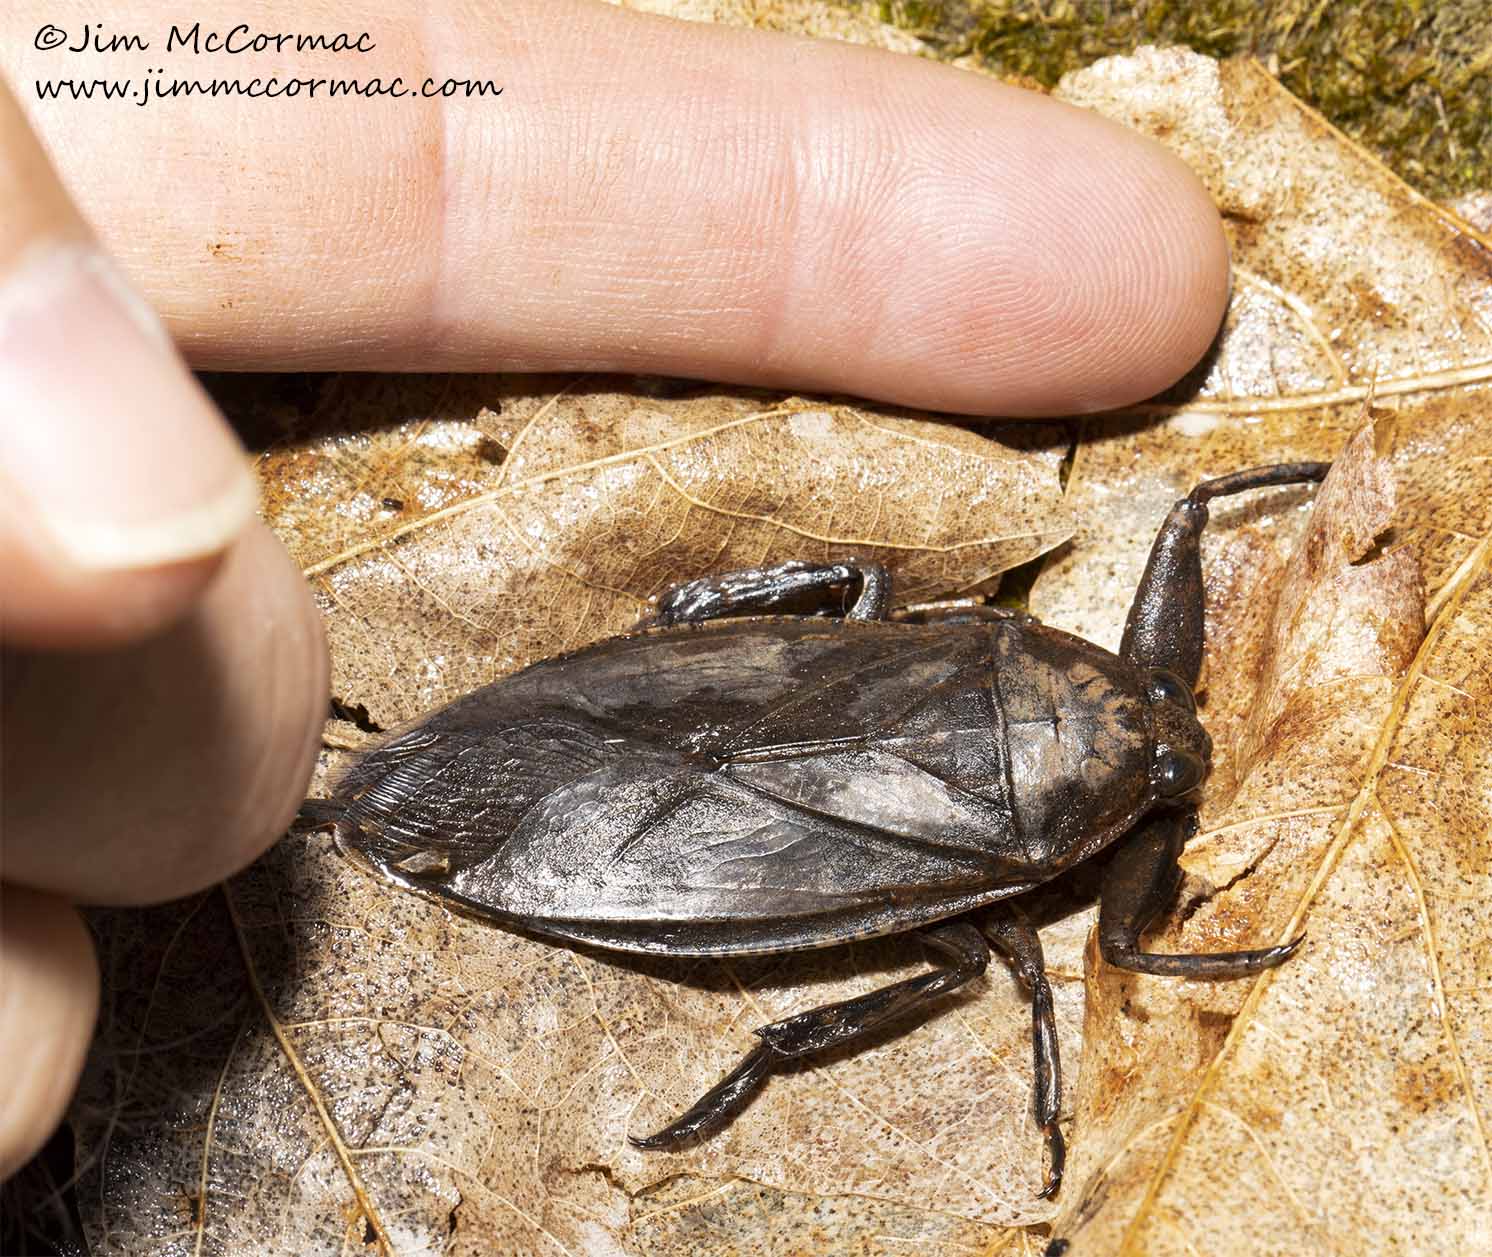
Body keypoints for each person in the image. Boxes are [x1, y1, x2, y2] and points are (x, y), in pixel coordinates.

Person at [0, 0, 1230, 1180]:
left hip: (662, 752)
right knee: (968, 961)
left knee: (861, 613)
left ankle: (428, 807)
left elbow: (855, 591)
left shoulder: (992, 651)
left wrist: (687, 628)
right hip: (671, 823)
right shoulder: (1018, 850)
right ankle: (443, 820)